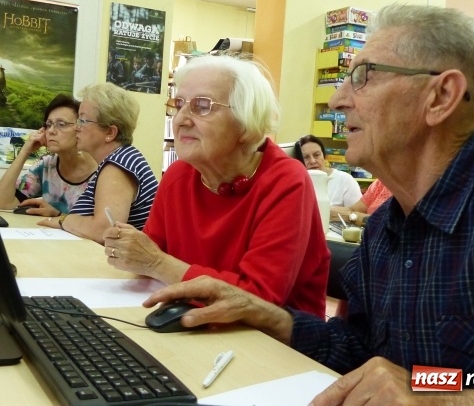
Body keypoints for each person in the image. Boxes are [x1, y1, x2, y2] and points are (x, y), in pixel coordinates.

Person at [142, 4, 474, 404]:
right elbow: (365, 353)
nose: (337, 100)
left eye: (364, 76)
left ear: (441, 96)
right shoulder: (387, 225)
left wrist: (458, 398)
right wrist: (269, 315)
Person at [100, 54, 330, 317]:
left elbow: (258, 298)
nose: (180, 119)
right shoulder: (178, 176)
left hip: (269, 345)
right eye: (179, 104)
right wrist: (131, 251)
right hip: (191, 322)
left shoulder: (286, 181)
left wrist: (156, 263)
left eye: (201, 106)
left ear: (245, 122)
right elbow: (148, 260)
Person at [37, 83, 158, 243]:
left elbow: (104, 231)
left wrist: (63, 220)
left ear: (110, 132)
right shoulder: (117, 159)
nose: (77, 128)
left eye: (83, 121)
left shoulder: (118, 166)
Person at [0, 94, 97, 216]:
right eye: (49, 124)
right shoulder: (47, 166)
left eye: (61, 124)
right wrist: (25, 152)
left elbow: (103, 227)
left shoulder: (100, 173)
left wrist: (58, 215)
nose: (51, 131)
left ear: (80, 129)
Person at [297, 134, 362, 211]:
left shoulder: (345, 180)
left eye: (317, 155)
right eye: (306, 157)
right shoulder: (297, 183)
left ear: (324, 156)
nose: (313, 161)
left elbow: (357, 213)